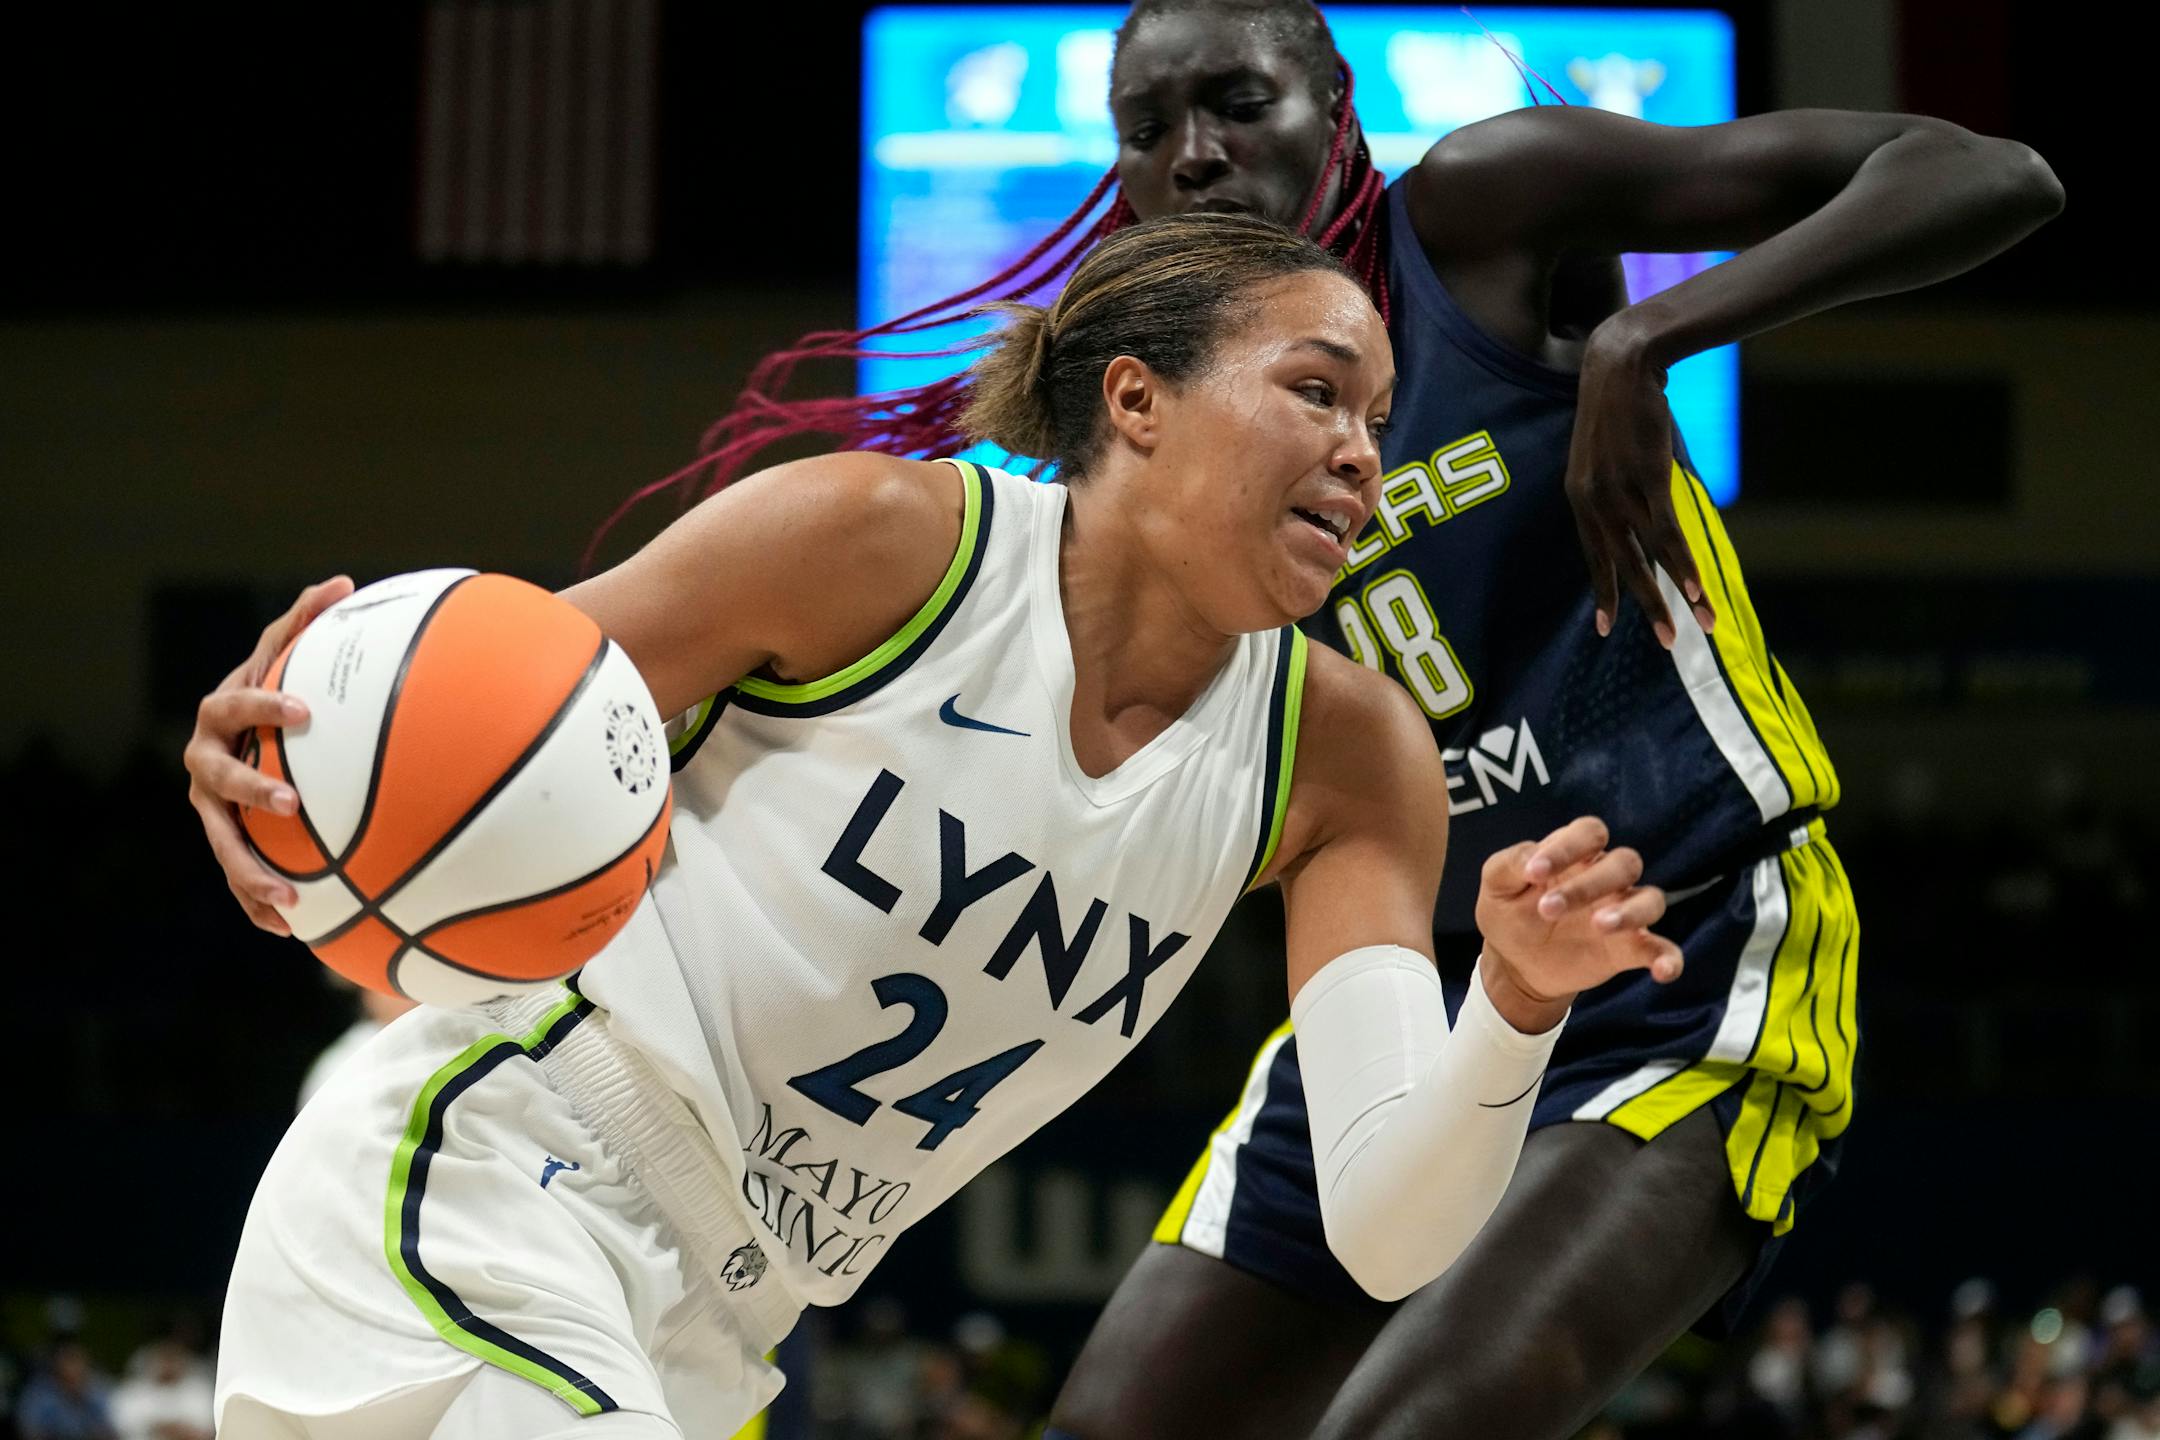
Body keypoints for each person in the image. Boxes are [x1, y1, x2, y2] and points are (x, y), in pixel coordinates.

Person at [665, 5, 2063, 1437]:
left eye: (1236, 103)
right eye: (1147, 131)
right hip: (1397, 979)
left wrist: (1646, 338)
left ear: (1335, 102)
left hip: (1679, 948)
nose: (1194, 154)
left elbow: (1989, 173)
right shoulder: (1155, 413)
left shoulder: (1477, 217)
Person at [183, 215, 1680, 1439]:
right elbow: (472, 727)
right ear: (1136, 400)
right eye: (1313, 390)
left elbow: (1384, 1235)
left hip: (725, 1330)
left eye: (1376, 414)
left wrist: (1512, 1006)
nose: (1365, 449)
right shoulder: (881, 545)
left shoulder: (1353, 760)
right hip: (501, 1175)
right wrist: (279, 768)